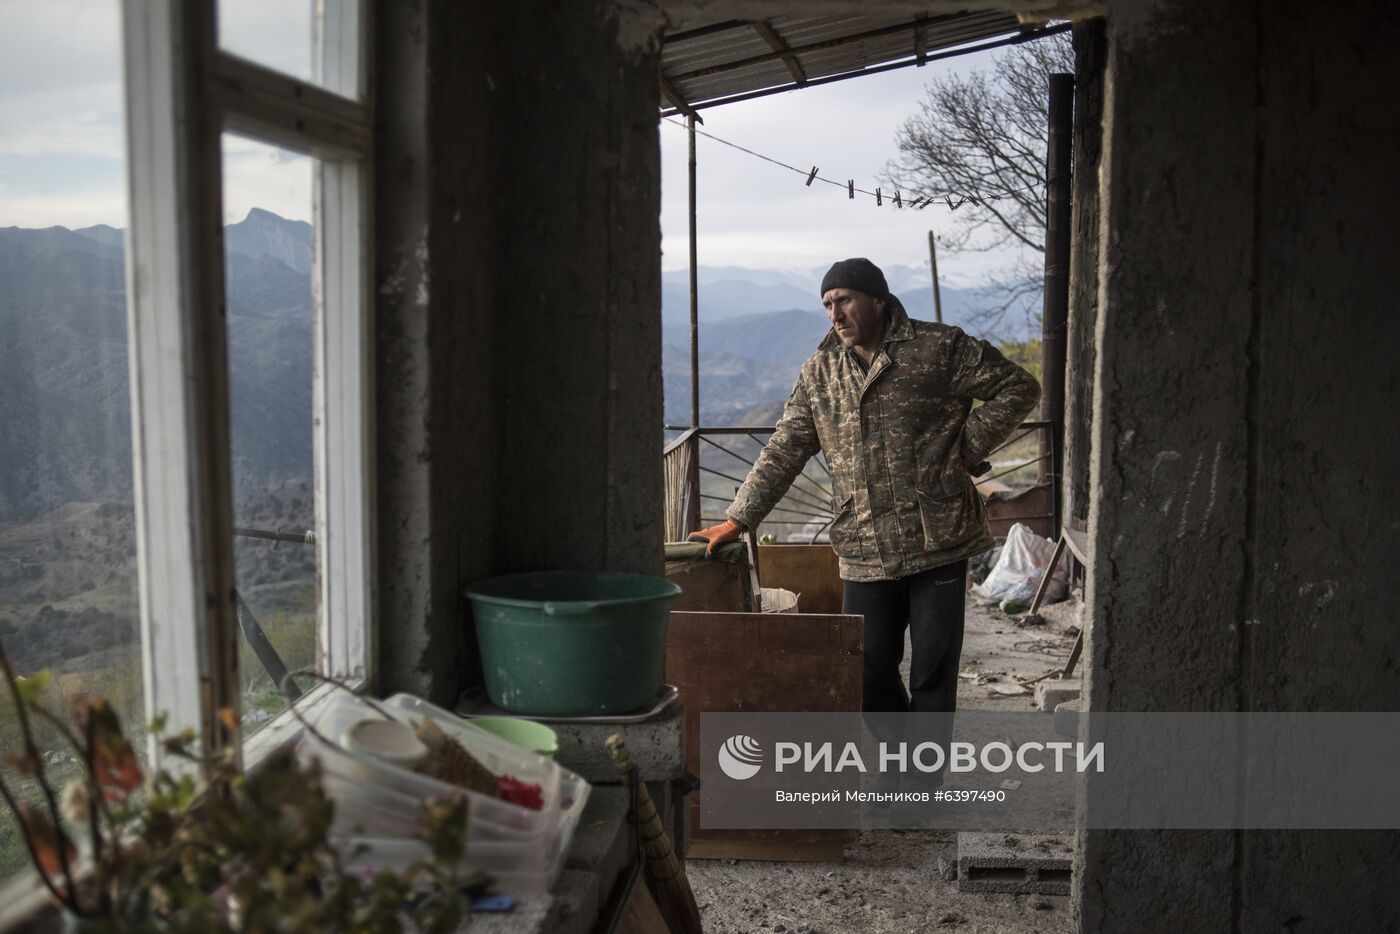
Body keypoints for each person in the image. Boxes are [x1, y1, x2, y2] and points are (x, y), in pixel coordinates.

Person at [689, 257, 1040, 720]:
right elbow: (786, 447)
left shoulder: (938, 348)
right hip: (864, 545)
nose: (835, 314)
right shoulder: (820, 372)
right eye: (827, 304)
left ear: (877, 300)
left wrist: (966, 447)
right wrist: (739, 518)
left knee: (932, 676)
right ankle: (901, 761)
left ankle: (918, 784)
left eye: (844, 300)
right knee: (867, 672)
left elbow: (1017, 387)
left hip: (939, 536)